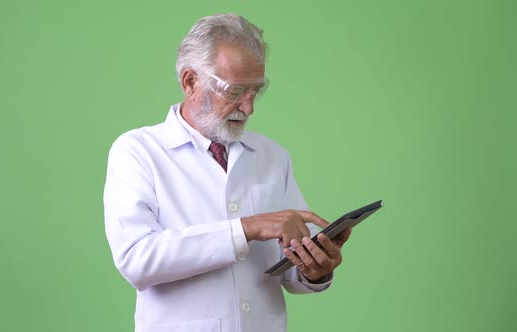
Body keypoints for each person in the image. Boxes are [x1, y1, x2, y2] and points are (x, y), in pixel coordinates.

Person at [103, 13, 352, 332]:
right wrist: (246, 228)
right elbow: (137, 260)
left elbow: (290, 273)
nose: (249, 108)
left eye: (255, 92)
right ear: (190, 82)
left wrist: (314, 268)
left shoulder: (272, 155)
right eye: (235, 92)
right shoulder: (138, 151)